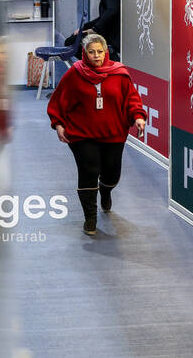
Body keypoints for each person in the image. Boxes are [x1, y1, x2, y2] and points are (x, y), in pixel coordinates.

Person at [47, 34, 147, 235]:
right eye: (91, 52)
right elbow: (58, 101)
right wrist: (58, 123)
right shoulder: (75, 73)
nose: (96, 56)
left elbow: (132, 99)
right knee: (89, 171)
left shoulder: (119, 73)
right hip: (82, 134)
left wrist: (138, 116)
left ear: (106, 52)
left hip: (113, 133)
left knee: (112, 174)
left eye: (100, 52)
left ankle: (106, 190)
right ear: (84, 54)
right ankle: (90, 218)